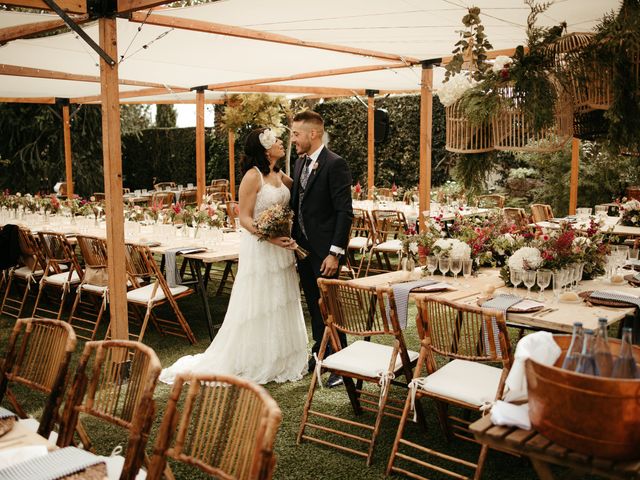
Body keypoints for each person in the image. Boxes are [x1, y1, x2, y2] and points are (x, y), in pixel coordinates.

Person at [160, 128, 308, 385]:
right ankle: (256, 358)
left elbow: (299, 194)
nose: (282, 143)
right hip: (262, 247)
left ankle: (281, 356)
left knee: (280, 298)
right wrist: (271, 235)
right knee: (260, 301)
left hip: (281, 249)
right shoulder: (253, 177)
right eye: (276, 141)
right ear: (265, 149)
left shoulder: (278, 173)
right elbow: (245, 219)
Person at [290, 110, 353, 388]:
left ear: (312, 134)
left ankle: (343, 363)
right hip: (303, 251)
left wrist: (334, 253)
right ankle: (322, 352)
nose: (292, 139)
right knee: (315, 306)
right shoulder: (298, 163)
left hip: (326, 252)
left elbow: (344, 212)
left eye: (296, 134)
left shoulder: (335, 164)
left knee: (331, 307)